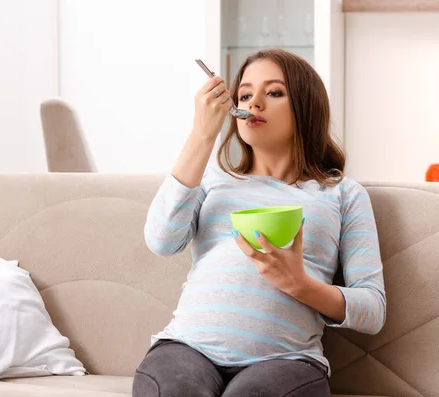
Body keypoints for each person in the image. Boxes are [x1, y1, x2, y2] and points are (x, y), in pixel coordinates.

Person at [132, 48, 386, 397]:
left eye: (274, 92)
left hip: (288, 361)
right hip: (186, 349)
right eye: (245, 95)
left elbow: (372, 309)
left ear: (307, 107)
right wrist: (201, 136)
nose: (255, 104)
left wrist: (299, 285)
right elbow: (161, 241)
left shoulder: (342, 195)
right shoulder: (213, 180)